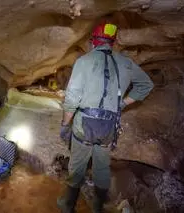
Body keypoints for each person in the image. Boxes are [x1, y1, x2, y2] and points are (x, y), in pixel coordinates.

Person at [58, 22, 154, 213]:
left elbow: (71, 100)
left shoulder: (84, 61)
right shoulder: (126, 63)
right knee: (102, 168)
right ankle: (98, 207)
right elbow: (146, 85)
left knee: (77, 166)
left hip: (83, 126)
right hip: (108, 128)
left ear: (93, 42)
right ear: (113, 42)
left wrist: (64, 124)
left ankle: (68, 206)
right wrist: (122, 103)